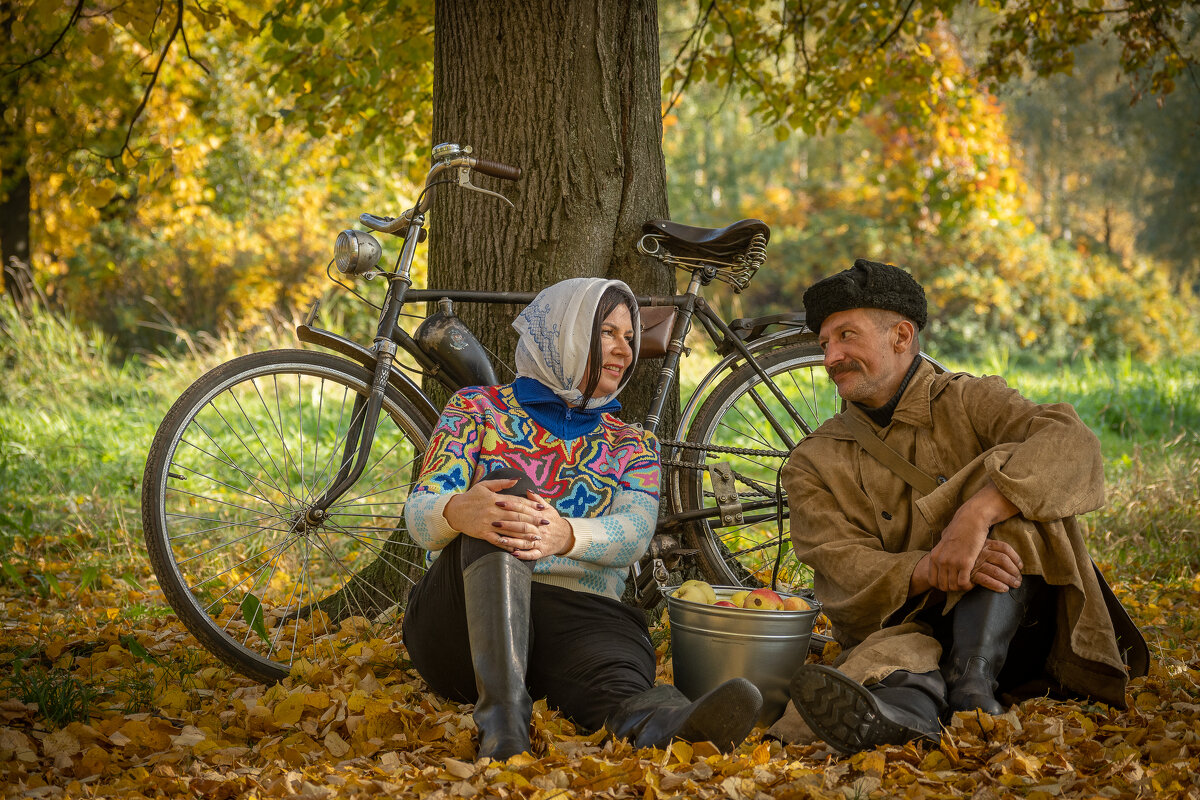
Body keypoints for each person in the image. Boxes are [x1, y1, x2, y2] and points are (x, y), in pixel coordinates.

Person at [769, 259, 1147, 754]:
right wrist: (933, 567)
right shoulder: (811, 462)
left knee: (1016, 483)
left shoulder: (972, 400)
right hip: (908, 626)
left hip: (1022, 629)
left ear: (901, 336)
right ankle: (911, 711)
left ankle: (972, 681)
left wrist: (976, 517)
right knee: (902, 661)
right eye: (825, 344)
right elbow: (839, 561)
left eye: (846, 336)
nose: (831, 356)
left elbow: (1074, 445)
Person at [402, 277, 763, 761]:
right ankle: (504, 723)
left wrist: (567, 535)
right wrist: (456, 510)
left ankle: (671, 722)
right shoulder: (476, 410)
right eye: (607, 334)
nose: (623, 350)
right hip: (463, 623)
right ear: (565, 333)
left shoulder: (632, 443)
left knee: (621, 680)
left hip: (581, 622)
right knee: (508, 495)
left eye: (630, 338)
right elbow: (420, 511)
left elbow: (635, 531)